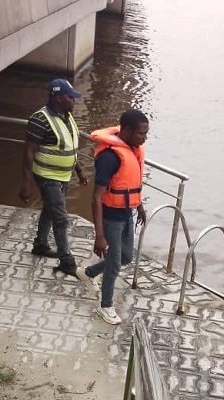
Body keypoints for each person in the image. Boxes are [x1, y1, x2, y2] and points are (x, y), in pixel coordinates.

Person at [75, 109, 149, 325]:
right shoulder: (109, 157)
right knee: (115, 263)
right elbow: (96, 198)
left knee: (126, 257)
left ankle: (87, 273)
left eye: (146, 133)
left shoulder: (132, 149)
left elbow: (129, 185)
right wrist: (99, 235)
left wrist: (140, 205)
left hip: (127, 212)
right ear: (126, 131)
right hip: (110, 217)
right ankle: (105, 306)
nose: (144, 138)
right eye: (141, 134)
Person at [19, 78, 88, 276]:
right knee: (60, 218)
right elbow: (28, 152)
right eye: (70, 97)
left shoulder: (67, 115)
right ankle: (66, 260)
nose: (74, 101)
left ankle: (40, 244)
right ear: (58, 98)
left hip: (64, 175)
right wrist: (26, 184)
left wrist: (80, 170)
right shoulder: (40, 120)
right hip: (47, 175)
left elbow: (69, 148)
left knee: (50, 209)